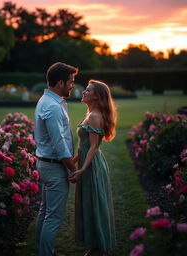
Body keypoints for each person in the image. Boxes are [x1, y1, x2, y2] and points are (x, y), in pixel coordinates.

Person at [34, 62, 78, 256]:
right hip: (53, 167)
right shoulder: (52, 106)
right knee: (53, 217)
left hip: (47, 164)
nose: (73, 85)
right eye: (71, 81)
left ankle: (44, 251)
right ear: (60, 82)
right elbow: (59, 145)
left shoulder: (49, 101)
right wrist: (72, 169)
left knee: (45, 213)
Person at [69, 80, 117, 256]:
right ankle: (94, 247)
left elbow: (93, 147)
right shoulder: (90, 113)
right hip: (86, 162)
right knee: (89, 202)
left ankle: (98, 248)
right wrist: (74, 161)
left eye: (87, 90)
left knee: (95, 203)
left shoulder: (95, 116)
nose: (83, 92)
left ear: (96, 96)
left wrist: (82, 169)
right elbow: (84, 145)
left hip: (92, 166)